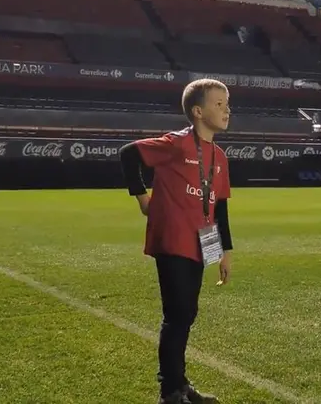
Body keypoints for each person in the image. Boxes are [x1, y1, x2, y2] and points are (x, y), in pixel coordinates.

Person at [118, 78, 233, 404]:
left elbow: (219, 207)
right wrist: (142, 197)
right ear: (198, 112)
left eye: (227, 104)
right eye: (219, 104)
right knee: (178, 313)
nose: (227, 110)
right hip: (172, 239)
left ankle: (180, 386)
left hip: (202, 241)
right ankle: (170, 391)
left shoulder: (220, 156)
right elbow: (128, 155)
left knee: (187, 313)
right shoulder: (177, 143)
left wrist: (224, 251)